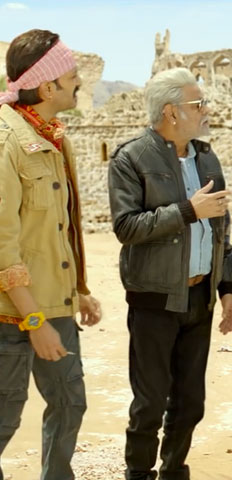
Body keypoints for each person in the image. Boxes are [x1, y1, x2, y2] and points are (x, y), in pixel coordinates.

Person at [107, 67, 232, 480]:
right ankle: (138, 474)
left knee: (190, 402)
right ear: (171, 112)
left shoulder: (207, 157)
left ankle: (173, 471)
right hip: (155, 300)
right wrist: (187, 211)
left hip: (199, 299)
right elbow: (126, 227)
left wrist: (227, 287)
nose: (206, 110)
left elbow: (221, 230)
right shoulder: (131, 158)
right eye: (198, 104)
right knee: (149, 403)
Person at [0, 29, 102, 480]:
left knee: (69, 403)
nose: (79, 81)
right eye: (71, 74)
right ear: (47, 87)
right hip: (15, 314)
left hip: (55, 306)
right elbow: (2, 245)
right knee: (4, 416)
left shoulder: (55, 138)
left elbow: (60, 228)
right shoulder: (7, 142)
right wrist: (34, 321)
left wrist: (78, 289)